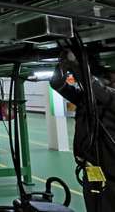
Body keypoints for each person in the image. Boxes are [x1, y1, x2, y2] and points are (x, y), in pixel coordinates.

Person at [50, 51, 115, 212]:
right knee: (93, 205)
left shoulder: (110, 98)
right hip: (92, 169)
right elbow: (56, 83)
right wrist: (62, 66)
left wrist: (75, 65)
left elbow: (98, 90)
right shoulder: (86, 100)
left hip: (112, 172)